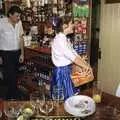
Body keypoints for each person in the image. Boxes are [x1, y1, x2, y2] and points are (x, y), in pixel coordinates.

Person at [51, 17, 93, 100]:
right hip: (62, 73)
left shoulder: (64, 39)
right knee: (65, 99)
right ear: (64, 26)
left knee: (71, 97)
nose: (73, 25)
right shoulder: (60, 40)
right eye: (71, 23)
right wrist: (87, 67)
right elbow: (74, 58)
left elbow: (75, 55)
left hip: (67, 71)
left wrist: (86, 64)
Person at [0, 5, 24, 99]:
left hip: (17, 53)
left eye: (19, 16)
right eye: (17, 16)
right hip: (6, 53)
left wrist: (22, 53)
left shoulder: (19, 23)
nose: (19, 18)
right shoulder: (1, 23)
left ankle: (12, 96)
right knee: (10, 76)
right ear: (10, 14)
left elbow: (21, 38)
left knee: (15, 74)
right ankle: (11, 96)